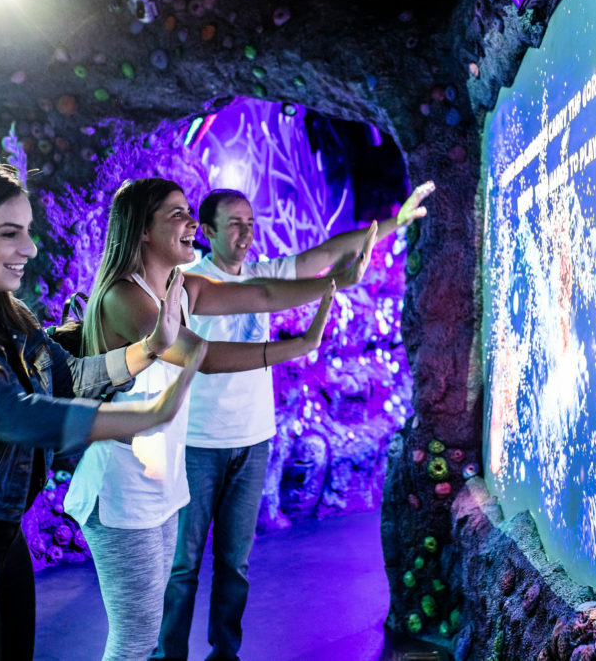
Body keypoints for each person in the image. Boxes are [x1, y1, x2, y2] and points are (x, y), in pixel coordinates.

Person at [0, 162, 202, 660]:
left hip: (0, 537)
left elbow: (73, 378)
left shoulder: (14, 322)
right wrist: (139, 418)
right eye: (9, 234)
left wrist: (152, 346)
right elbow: (14, 414)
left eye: (27, 231)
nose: (29, 248)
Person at [64, 178, 376, 661]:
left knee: (145, 633)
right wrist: (298, 346)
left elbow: (263, 295)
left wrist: (334, 284)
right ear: (142, 232)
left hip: (160, 486)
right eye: (176, 215)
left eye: (191, 212)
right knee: (134, 639)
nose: (191, 223)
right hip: (120, 491)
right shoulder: (123, 298)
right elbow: (200, 356)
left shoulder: (183, 287)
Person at [154, 180, 435, 661]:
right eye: (235, 225)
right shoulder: (190, 282)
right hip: (196, 441)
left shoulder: (266, 271)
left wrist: (396, 222)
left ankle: (225, 654)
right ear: (207, 230)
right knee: (183, 564)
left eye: (251, 224)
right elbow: (264, 296)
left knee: (235, 563)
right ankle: (168, 655)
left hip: (253, 439)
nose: (246, 234)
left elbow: (326, 252)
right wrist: (334, 286)